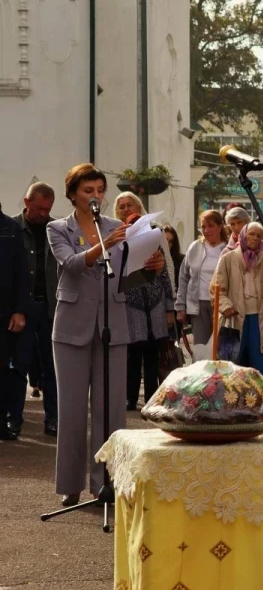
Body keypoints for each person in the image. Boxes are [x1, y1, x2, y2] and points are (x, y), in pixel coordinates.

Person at [48, 164, 164, 506]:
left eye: (99, 189)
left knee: (111, 410)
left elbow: (123, 280)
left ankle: (106, 483)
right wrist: (103, 245)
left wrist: (150, 271)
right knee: (71, 411)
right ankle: (69, 486)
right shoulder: (59, 229)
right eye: (88, 190)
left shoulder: (117, 228)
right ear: (73, 195)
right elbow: (70, 265)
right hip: (71, 328)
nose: (95, 196)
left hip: (113, 325)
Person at [9, 182, 58, 438]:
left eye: (47, 209)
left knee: (52, 368)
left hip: (52, 308)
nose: (42, 213)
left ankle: (53, 419)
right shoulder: (12, 228)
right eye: (38, 208)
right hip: (22, 309)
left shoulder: (57, 229)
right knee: (18, 366)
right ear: (27, 202)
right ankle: (14, 419)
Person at [115, 204, 175, 411]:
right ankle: (130, 398)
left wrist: (169, 310)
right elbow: (116, 280)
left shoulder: (155, 250)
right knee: (132, 358)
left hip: (155, 309)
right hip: (132, 310)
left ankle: (151, 398)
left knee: (152, 359)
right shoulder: (119, 250)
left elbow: (166, 280)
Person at [212, 222, 263, 377]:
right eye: (252, 234)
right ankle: (235, 400)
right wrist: (226, 306)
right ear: (243, 235)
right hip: (234, 318)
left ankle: (259, 399)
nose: (255, 238)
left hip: (261, 318)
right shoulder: (228, 259)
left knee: (260, 364)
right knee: (234, 364)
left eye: (259, 236)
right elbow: (216, 289)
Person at [175, 211, 229, 361]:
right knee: (200, 349)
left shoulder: (228, 248)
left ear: (220, 227)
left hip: (221, 306)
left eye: (211, 226)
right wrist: (180, 306)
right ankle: (203, 383)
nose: (206, 230)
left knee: (221, 350)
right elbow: (184, 277)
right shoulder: (195, 247)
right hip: (198, 305)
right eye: (203, 227)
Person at [0, 201, 29, 442]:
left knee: (3, 371)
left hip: (5, 312)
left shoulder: (10, 229)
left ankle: (1, 422)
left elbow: (21, 275)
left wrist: (20, 311)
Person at [162, 225, 185, 293]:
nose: (168, 244)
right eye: (165, 240)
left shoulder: (181, 260)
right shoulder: (153, 260)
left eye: (171, 241)